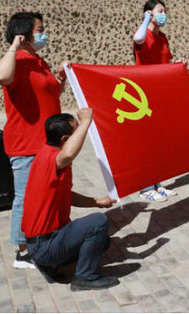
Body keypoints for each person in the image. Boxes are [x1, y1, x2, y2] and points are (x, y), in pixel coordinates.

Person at [0, 12, 65, 270]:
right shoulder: (16, 61)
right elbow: (2, 76)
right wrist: (14, 46)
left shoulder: (38, 61)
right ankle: (23, 251)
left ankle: (43, 237)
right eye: (40, 30)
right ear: (24, 35)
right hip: (26, 143)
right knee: (25, 198)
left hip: (47, 143)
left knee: (46, 195)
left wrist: (61, 78)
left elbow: (52, 91)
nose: (44, 34)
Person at [22, 110, 118, 291]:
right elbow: (67, 155)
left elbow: (67, 195)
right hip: (44, 245)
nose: (81, 132)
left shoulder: (48, 155)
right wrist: (87, 121)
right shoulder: (50, 159)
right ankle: (85, 277)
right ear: (65, 140)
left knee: (102, 241)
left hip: (45, 242)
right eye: (77, 130)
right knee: (98, 222)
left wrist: (97, 202)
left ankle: (51, 265)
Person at [132, 0, 180, 202]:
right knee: (147, 141)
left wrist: (177, 64)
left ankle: (158, 183)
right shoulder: (144, 34)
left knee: (159, 140)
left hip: (161, 93)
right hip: (144, 94)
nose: (164, 14)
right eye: (160, 11)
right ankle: (145, 186)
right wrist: (145, 20)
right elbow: (138, 38)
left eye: (165, 11)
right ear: (149, 13)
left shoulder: (163, 38)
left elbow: (166, 62)